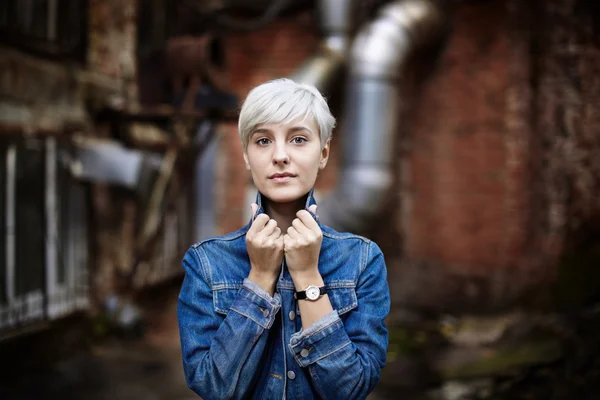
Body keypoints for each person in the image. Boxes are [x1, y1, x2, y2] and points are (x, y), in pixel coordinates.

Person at [178, 78, 390, 399]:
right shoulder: (206, 263)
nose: (280, 156)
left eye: (298, 139)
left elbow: (349, 391)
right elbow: (214, 387)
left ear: (323, 153)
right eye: (263, 141)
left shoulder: (362, 260)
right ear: (247, 157)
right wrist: (260, 277)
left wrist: (307, 275)